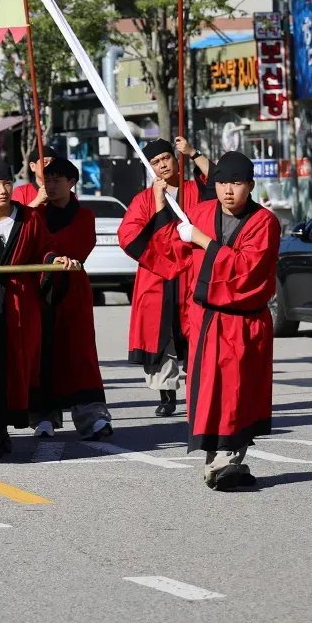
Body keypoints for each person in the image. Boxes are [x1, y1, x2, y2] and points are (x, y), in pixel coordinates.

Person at [176, 151, 279, 491]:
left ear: (250, 185)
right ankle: (216, 462)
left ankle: (227, 460)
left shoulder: (265, 222)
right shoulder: (201, 213)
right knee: (208, 392)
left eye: (236, 183)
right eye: (221, 183)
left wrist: (201, 240)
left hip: (243, 322)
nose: (228, 191)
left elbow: (244, 269)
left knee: (236, 392)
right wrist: (165, 210)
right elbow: (173, 255)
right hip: (207, 318)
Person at [0, 156, 82, 458]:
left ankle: (6, 425)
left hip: (22, 301)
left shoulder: (30, 218)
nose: (3, 191)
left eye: (7, 183)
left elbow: (45, 249)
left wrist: (54, 260)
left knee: (18, 364)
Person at [119, 137, 211, 417]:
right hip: (157, 275)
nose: (162, 165)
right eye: (155, 162)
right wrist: (159, 204)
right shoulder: (143, 199)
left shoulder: (195, 190)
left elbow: (218, 178)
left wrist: (193, 152)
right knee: (161, 337)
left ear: (175, 159)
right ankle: (167, 394)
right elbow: (129, 238)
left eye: (166, 159)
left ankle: (199, 392)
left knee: (197, 333)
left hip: (192, 272)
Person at [27, 158, 112, 440]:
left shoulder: (84, 214)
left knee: (80, 355)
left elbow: (76, 247)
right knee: (44, 353)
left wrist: (50, 250)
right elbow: (23, 242)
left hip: (73, 290)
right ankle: (44, 417)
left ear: (71, 183)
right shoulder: (35, 215)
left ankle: (92, 417)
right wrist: (33, 211)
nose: (50, 185)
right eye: (46, 180)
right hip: (41, 289)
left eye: (56, 180)